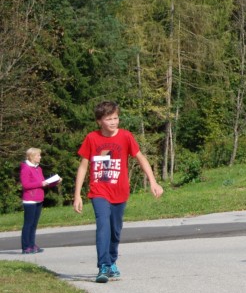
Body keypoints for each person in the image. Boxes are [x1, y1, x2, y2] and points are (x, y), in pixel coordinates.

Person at [73, 101, 164, 283]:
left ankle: (112, 261)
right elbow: (83, 167)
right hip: (99, 191)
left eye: (115, 118)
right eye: (109, 119)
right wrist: (77, 195)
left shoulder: (125, 136)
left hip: (120, 191)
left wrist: (153, 181)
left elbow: (141, 158)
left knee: (115, 230)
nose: (114, 122)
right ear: (99, 121)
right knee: (103, 226)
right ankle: (103, 266)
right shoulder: (92, 138)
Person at [19, 147, 59, 254]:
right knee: (28, 223)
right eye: (38, 155)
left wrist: (55, 182)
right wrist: (41, 184)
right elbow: (25, 185)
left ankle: (32, 244)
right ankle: (26, 246)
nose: (40, 157)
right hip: (30, 200)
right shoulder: (26, 168)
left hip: (39, 199)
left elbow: (43, 183)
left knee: (34, 224)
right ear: (32, 157)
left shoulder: (38, 168)